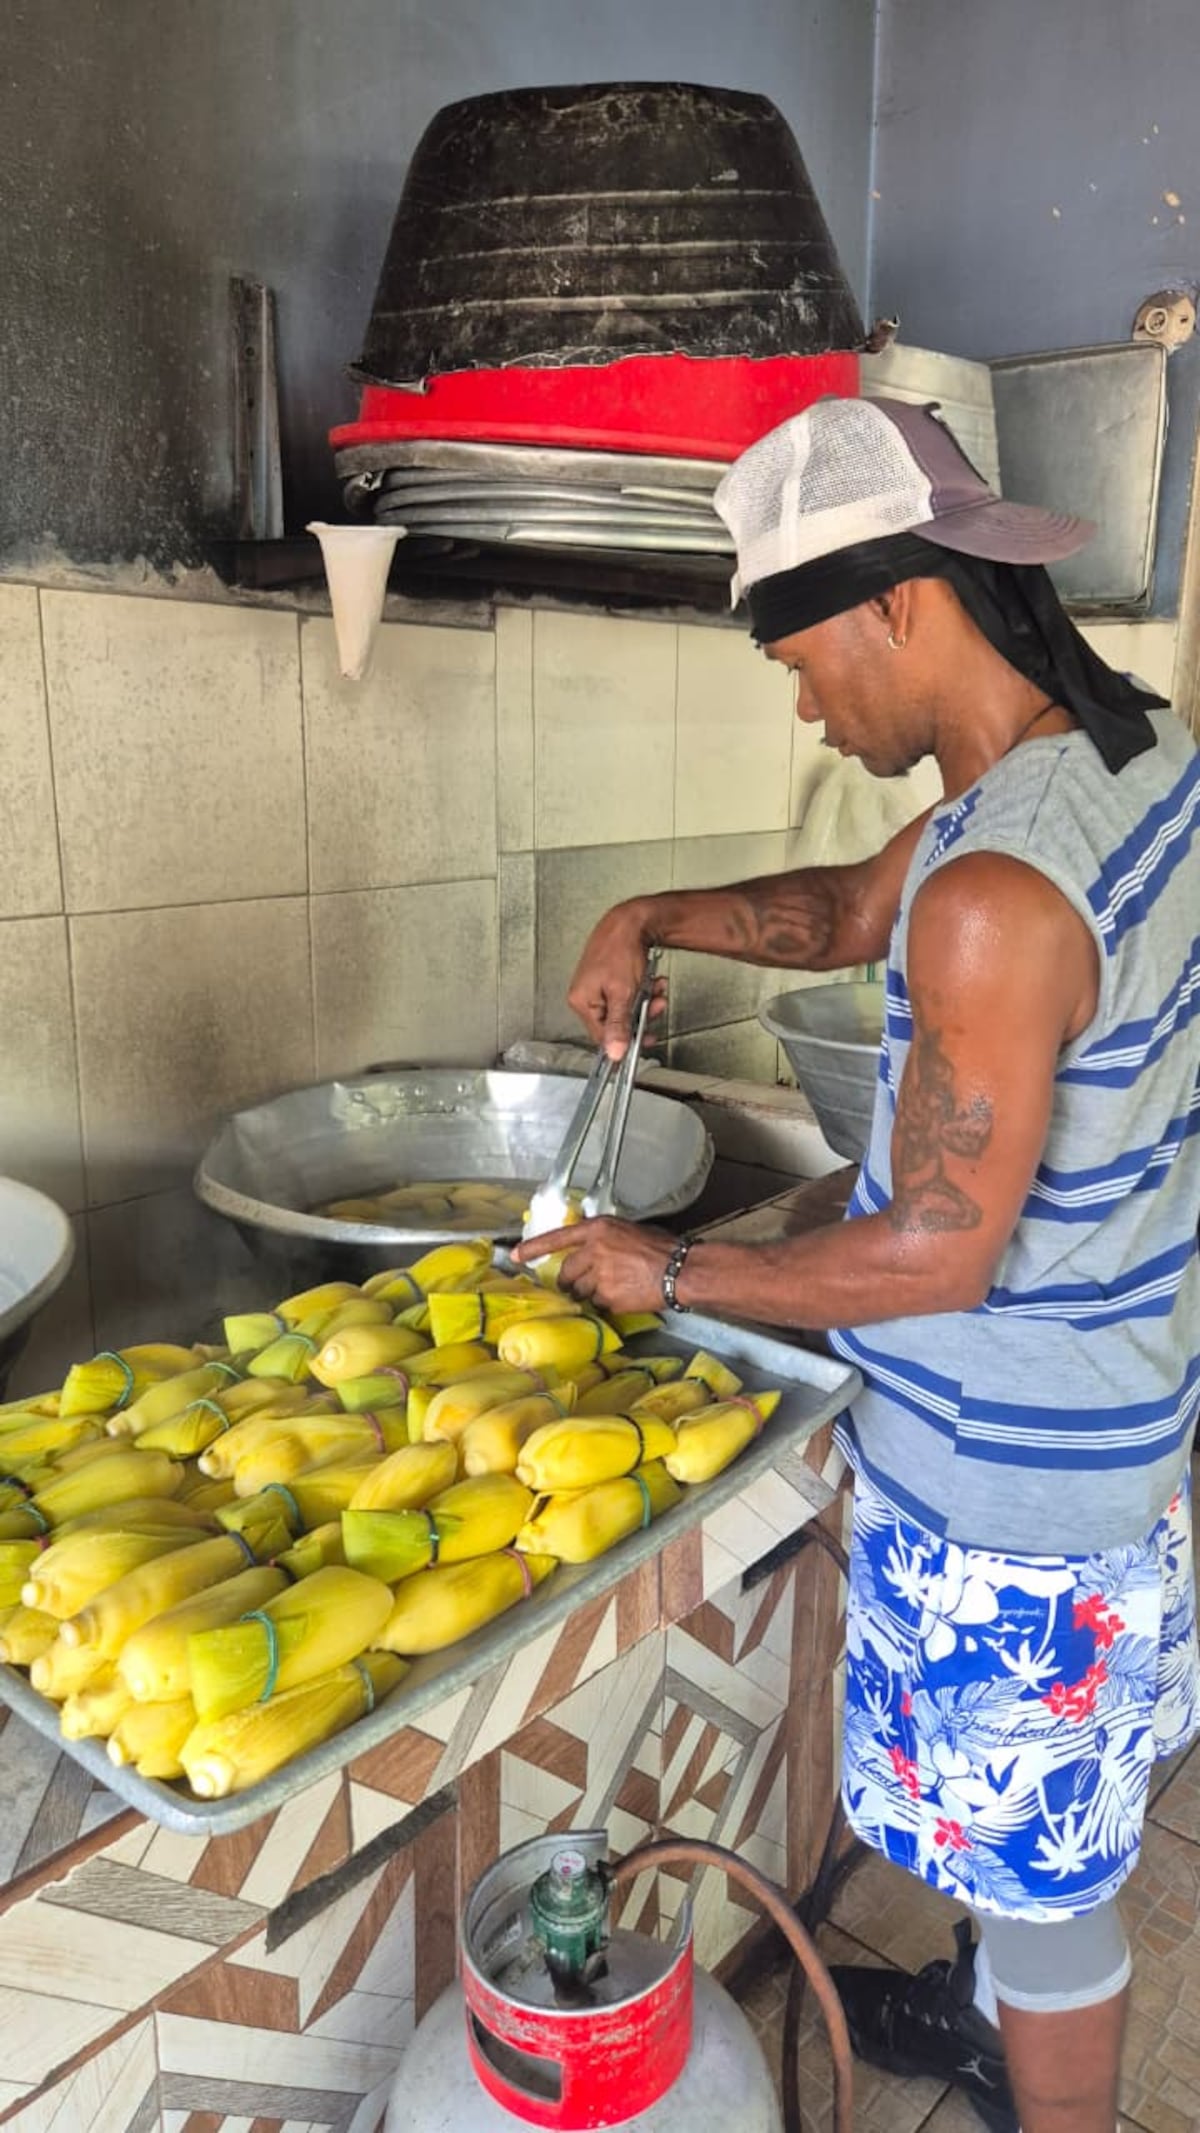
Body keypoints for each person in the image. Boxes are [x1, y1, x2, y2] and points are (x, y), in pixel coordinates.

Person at [513, 394, 1200, 2133]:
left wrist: (671, 1277)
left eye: (805, 657)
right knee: (1026, 1838)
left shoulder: (996, 886)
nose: (809, 703)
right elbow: (842, 914)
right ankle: (993, 2012)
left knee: (1048, 1895)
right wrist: (648, 915)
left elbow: (939, 1252)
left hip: (1010, 1484)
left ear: (903, 602)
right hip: (1112, 1420)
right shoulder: (1118, 762)